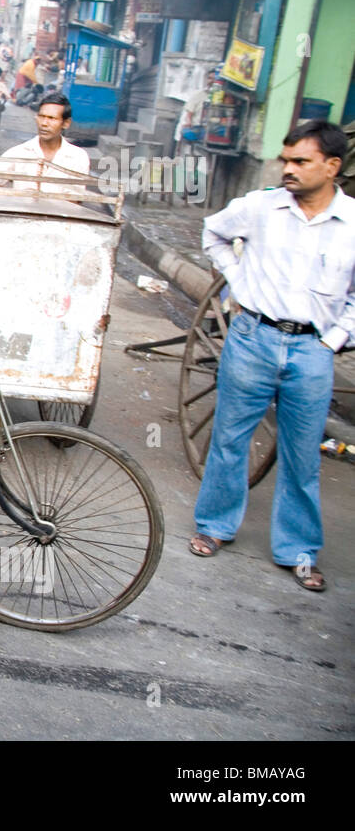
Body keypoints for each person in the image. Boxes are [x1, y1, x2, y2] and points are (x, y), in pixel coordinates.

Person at [189, 120, 354, 593]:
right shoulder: (261, 208)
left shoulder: (353, 225)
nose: (288, 169)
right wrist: (239, 283)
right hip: (252, 339)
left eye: (300, 161)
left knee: (303, 456)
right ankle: (215, 526)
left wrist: (335, 338)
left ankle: (298, 550)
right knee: (229, 439)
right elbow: (212, 234)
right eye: (286, 159)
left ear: (332, 166)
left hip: (312, 351)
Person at [0, 93, 91, 194]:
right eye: (41, 117)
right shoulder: (20, 152)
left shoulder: (78, 156)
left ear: (66, 123)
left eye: (52, 118)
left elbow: (76, 200)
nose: (44, 123)